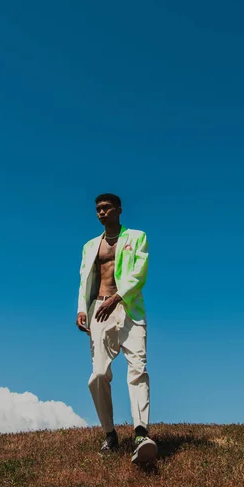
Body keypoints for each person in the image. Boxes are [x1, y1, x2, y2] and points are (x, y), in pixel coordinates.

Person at [76, 193, 157, 465]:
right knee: (98, 374)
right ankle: (110, 434)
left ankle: (141, 434)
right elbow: (84, 281)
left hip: (129, 308)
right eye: (98, 208)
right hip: (99, 310)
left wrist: (118, 297)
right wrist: (80, 309)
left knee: (138, 368)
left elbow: (139, 273)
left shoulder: (137, 237)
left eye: (106, 207)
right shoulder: (89, 246)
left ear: (119, 210)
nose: (101, 212)